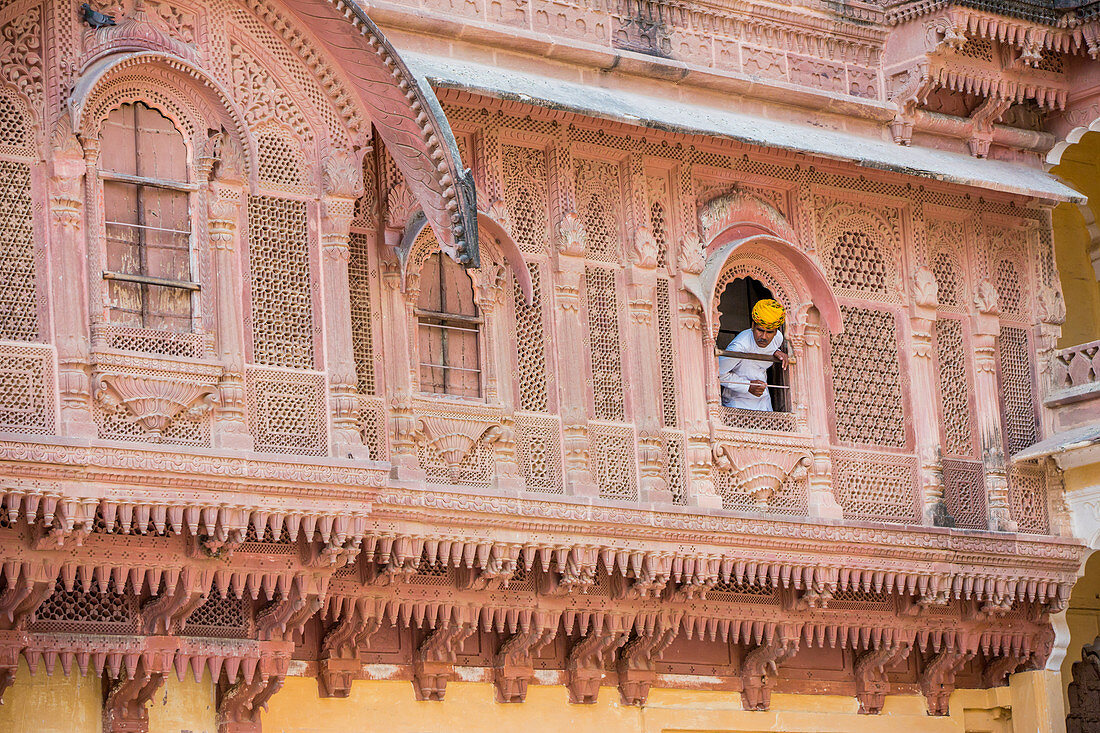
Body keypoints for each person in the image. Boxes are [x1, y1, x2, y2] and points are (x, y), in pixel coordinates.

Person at [718, 299, 789, 411]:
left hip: (763, 401)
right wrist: (747, 386)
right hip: (737, 402)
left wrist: (775, 351)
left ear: (775, 332)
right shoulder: (739, 347)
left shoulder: (777, 339)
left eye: (769, 332)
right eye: (760, 330)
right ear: (752, 326)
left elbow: (770, 347)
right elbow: (718, 374)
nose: (764, 337)